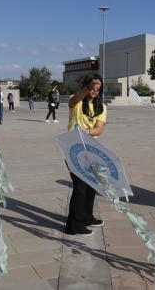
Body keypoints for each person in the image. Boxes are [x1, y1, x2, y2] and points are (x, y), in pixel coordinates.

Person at [65, 73, 107, 236]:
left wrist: (87, 130)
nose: (96, 89)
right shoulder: (76, 102)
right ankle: (73, 226)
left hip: (91, 149)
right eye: (93, 85)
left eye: (98, 86)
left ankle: (87, 217)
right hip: (73, 148)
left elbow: (99, 129)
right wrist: (87, 88)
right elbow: (75, 98)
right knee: (80, 186)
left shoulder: (101, 106)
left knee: (91, 186)